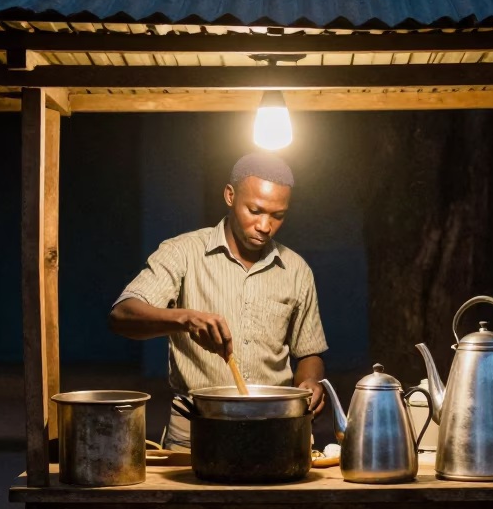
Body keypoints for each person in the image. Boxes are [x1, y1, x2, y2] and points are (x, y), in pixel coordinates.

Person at [109, 152, 328, 450]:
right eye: (255, 210)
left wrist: (311, 384)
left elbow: (309, 352)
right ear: (229, 195)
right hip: (196, 433)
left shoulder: (297, 269)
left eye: (277, 216)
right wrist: (185, 319)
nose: (265, 226)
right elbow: (121, 315)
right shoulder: (182, 253)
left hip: (277, 429)